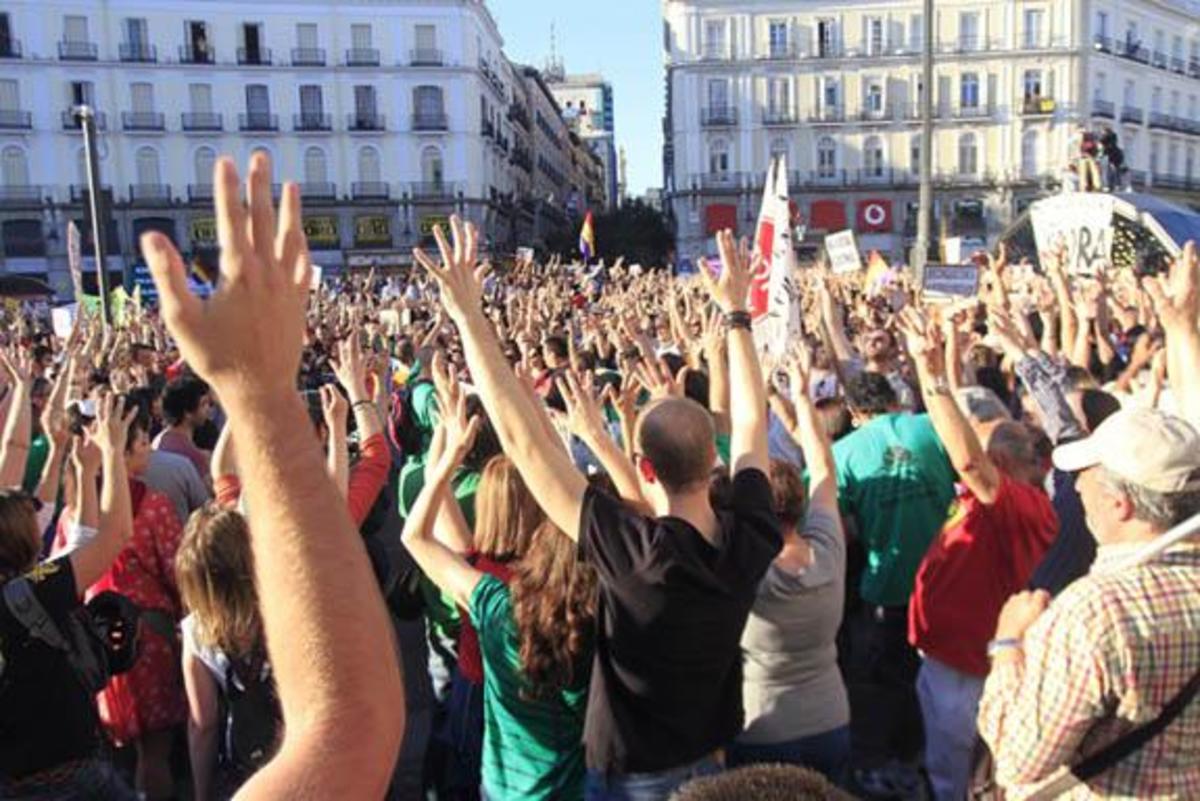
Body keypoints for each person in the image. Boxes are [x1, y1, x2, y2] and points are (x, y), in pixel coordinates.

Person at [412, 222, 782, 800]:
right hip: (712, 762)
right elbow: (754, 423)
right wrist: (737, 315)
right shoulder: (752, 532)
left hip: (633, 777)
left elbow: (525, 446)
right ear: (715, 460)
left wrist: (468, 317)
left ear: (648, 469)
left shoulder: (637, 554)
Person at [142, 153, 403, 798]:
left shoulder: (202, 626)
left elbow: (230, 474)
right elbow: (356, 723)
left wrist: (255, 392)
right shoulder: (317, 542)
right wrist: (262, 389)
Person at [977, 407, 1200, 798]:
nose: (1076, 488)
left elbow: (1018, 761)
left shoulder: (1097, 611)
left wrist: (1008, 645)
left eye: (1086, 477)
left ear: (1119, 504)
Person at [401, 391, 597, 800]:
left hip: (501, 783)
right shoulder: (594, 616)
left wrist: (448, 455)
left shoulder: (493, 595)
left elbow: (414, 536)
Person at [898, 308, 1058, 801]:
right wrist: (946, 356)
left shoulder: (1025, 507)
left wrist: (932, 378)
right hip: (945, 660)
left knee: (962, 783)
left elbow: (968, 457)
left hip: (971, 675)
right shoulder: (997, 495)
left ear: (1002, 463)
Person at [0, 392, 137, 799]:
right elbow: (115, 535)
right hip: (71, 774)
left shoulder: (33, 587)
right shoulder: (34, 589)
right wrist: (113, 453)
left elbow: (81, 540)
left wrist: (84, 465)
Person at [831, 369, 955, 796]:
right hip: (946, 577)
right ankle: (933, 753)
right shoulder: (931, 426)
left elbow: (837, 526)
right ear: (892, 399)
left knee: (894, 683)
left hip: (889, 587)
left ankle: (901, 760)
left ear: (854, 412)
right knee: (941, 674)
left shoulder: (844, 451)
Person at [730, 348, 849, 785]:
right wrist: (800, 396)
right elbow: (822, 469)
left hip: (762, 727)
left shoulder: (746, 572)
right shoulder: (829, 549)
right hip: (831, 720)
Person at [60, 399, 187, 801]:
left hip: (94, 644)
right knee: (155, 754)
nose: (150, 449)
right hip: (147, 640)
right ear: (122, 450)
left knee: (115, 758)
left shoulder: (73, 515)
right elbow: (178, 574)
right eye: (144, 442)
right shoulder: (152, 507)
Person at [176, 503, 278, 801]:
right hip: (300, 752)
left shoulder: (196, 630)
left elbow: (203, 725)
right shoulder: (284, 605)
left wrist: (202, 794)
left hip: (248, 770)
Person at [154, 376, 213, 482]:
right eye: (203, 404)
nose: (209, 409)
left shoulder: (160, 439)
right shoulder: (194, 457)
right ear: (187, 413)